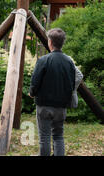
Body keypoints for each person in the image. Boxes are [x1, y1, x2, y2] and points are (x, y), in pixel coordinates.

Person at [29, 28, 75, 156]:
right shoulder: (69, 62)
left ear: (50, 42)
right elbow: (72, 84)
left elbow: (35, 81)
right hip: (61, 106)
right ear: (62, 43)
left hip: (44, 105)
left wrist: (32, 92)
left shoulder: (43, 60)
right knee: (58, 136)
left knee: (44, 137)